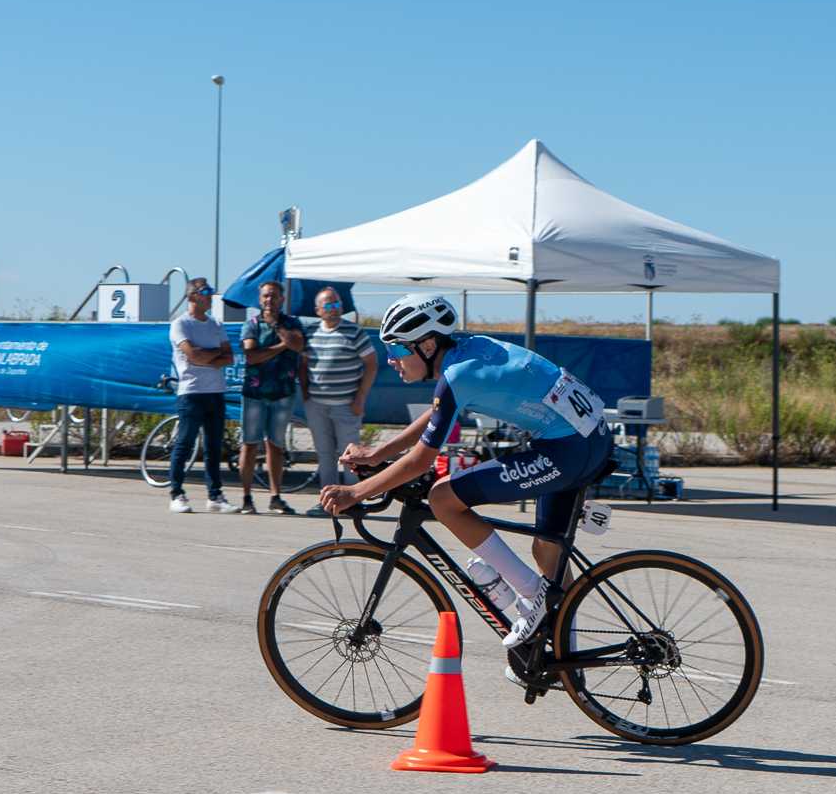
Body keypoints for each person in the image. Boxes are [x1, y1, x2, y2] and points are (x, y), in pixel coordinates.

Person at [318, 293, 614, 661]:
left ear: (427, 344)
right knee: (547, 551)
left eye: (396, 348)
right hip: (590, 439)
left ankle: (528, 594)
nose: (391, 359)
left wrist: (356, 492)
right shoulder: (468, 352)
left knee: (443, 498)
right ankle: (564, 660)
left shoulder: (457, 374)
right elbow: (438, 412)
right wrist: (378, 453)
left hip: (567, 450)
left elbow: (420, 462)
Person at [300, 287, 377, 509]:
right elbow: (303, 365)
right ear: (318, 310)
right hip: (316, 405)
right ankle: (328, 501)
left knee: (351, 456)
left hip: (346, 405)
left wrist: (360, 397)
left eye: (337, 305)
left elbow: (371, 364)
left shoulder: (354, 332)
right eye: (329, 305)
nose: (334, 310)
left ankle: (353, 500)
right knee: (324, 454)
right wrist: (306, 394)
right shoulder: (311, 332)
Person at [166, 278, 236, 513]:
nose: (209, 296)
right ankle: (176, 493)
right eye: (205, 291)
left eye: (210, 292)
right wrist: (211, 356)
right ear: (192, 296)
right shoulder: (180, 324)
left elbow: (229, 357)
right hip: (191, 393)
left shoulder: (216, 324)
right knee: (184, 445)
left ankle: (215, 496)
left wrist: (208, 355)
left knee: (214, 447)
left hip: (215, 392)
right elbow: (192, 355)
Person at [237, 279, 306, 515]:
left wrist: (281, 331)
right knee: (249, 444)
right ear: (260, 299)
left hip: (283, 393)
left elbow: (298, 345)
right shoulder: (252, 324)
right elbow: (251, 356)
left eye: (274, 296)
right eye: (266, 296)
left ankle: (275, 496)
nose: (270, 300)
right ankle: (247, 497)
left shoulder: (292, 322)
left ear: (282, 299)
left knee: (275, 446)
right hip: (254, 393)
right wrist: (280, 347)